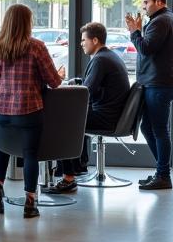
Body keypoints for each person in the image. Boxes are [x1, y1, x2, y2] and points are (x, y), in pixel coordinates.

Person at [0, 4, 62, 219]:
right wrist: (59, 75)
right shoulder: (36, 47)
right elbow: (54, 82)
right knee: (30, 155)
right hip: (28, 109)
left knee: (1, 149)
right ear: (27, 22)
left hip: (0, 110)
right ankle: (30, 203)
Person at [45, 22, 131, 194]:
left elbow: (86, 92)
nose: (81, 43)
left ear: (95, 40)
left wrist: (63, 89)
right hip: (114, 114)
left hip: (106, 117)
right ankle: (77, 168)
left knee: (60, 123)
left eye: (84, 40)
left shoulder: (100, 60)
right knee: (70, 117)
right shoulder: (109, 57)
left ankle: (69, 178)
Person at [125, 0, 173, 191]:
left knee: (158, 129)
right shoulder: (169, 19)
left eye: (147, 2)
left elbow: (145, 49)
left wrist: (134, 32)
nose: (144, 6)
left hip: (159, 83)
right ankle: (161, 169)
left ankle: (163, 175)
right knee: (147, 127)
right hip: (161, 82)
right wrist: (139, 31)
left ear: (158, 2)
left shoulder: (161, 21)